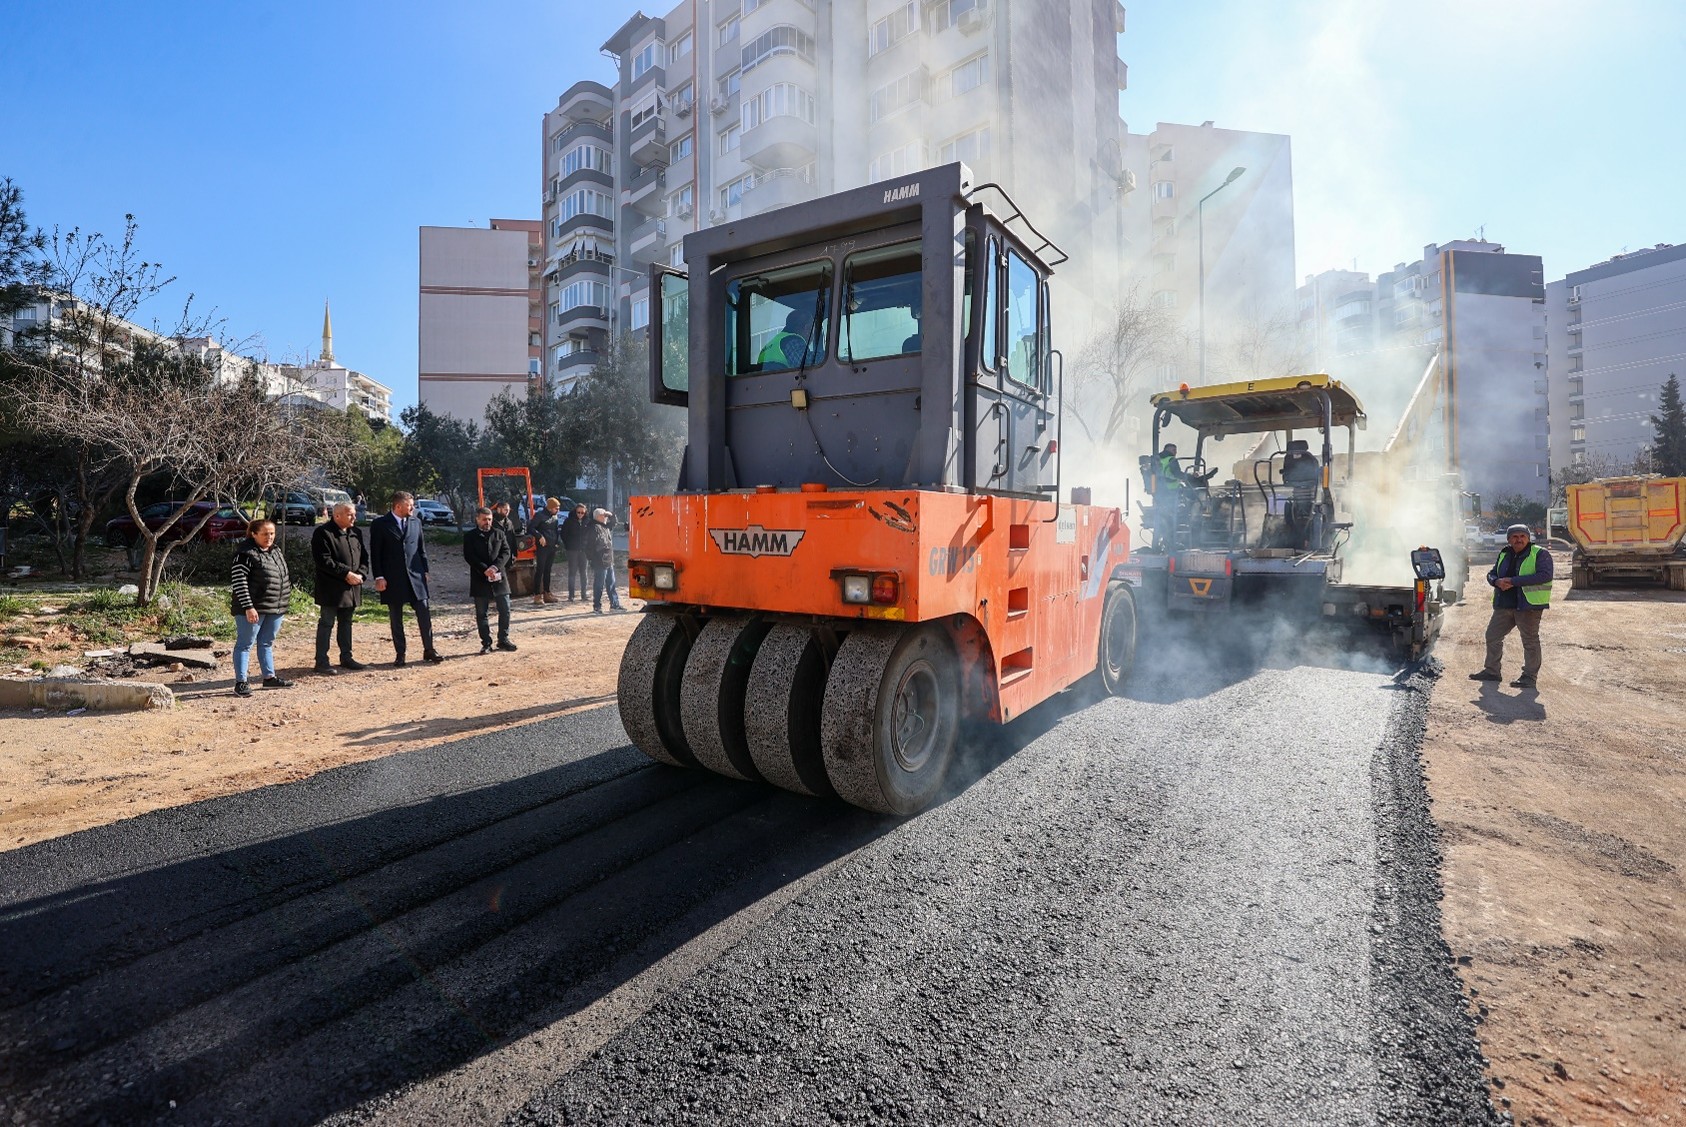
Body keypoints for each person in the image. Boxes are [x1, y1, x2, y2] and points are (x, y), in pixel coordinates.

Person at [1470, 524, 1554, 689]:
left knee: (1530, 642)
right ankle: (1492, 671)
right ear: (1509, 539)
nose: (1519, 539)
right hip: (1505, 605)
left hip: (1528, 605)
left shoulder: (1540, 553)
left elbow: (1545, 575)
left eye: (1522, 536)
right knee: (1492, 636)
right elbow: (1492, 573)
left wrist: (1513, 582)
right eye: (1515, 537)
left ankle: (1529, 677)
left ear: (1528, 538)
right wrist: (1496, 581)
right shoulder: (1505, 553)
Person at [369, 490, 442, 666]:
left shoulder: (416, 522)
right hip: (393, 578)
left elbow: (421, 549)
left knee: (424, 612)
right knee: (396, 617)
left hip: (416, 576)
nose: (413, 508)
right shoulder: (380, 524)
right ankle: (400, 653)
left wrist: (425, 570)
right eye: (410, 505)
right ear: (398, 506)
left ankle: (429, 649)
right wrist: (379, 576)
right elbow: (376, 553)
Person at [230, 518, 294, 697]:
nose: (269, 537)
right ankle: (241, 682)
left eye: (272, 533)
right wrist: (248, 607)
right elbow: (239, 582)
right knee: (245, 644)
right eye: (265, 534)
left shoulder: (275, 551)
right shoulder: (245, 554)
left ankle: (269, 677)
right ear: (254, 534)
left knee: (266, 643)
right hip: (252, 608)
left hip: (275, 606)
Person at [310, 502, 370, 674]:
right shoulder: (323, 533)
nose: (354, 517)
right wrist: (346, 574)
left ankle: (346, 657)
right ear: (337, 516)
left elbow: (364, 558)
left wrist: (361, 574)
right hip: (331, 587)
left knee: (346, 623)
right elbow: (323, 560)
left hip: (351, 588)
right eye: (350, 514)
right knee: (326, 623)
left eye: (354, 514)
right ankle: (321, 661)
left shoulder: (355, 533)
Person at [464, 506, 518, 654]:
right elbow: (469, 556)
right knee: (482, 613)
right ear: (477, 519)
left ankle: (503, 639)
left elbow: (506, 551)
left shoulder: (499, 534)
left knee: (505, 610)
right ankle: (486, 643)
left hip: (499, 577)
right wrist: (484, 570)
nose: (487, 522)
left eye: (489, 519)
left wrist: (495, 567)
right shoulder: (470, 536)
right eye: (484, 519)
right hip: (480, 578)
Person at [528, 496, 563, 605]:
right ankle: (537, 594)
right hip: (542, 547)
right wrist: (539, 536)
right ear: (550, 507)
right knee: (540, 570)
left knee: (548, 570)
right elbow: (530, 528)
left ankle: (547, 593)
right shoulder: (540, 516)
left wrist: (557, 542)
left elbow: (556, 530)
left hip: (552, 547)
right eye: (556, 508)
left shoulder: (555, 517)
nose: (558, 510)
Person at [590, 507, 624, 613]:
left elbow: (614, 523)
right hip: (600, 561)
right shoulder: (593, 527)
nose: (605, 517)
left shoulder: (605, 526)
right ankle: (597, 606)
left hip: (608, 560)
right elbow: (591, 546)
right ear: (598, 517)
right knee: (599, 584)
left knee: (611, 583)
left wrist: (611, 515)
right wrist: (595, 558)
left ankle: (614, 605)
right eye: (603, 515)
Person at [560, 500, 591, 601]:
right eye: (578, 512)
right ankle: (571, 595)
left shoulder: (588, 521)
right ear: (575, 511)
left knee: (584, 573)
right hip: (572, 550)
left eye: (583, 512)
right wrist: (568, 545)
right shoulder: (569, 521)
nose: (580, 514)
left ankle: (584, 594)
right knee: (572, 572)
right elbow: (563, 534)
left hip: (584, 550)